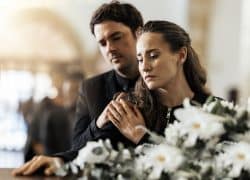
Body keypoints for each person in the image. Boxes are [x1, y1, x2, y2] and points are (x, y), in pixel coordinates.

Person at [12, 1, 144, 176]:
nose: (110, 49)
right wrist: (97, 124)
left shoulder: (161, 83)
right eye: (102, 43)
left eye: (116, 37)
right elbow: (77, 147)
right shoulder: (91, 87)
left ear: (139, 34)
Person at [106, 20, 211, 142]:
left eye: (153, 56)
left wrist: (140, 136)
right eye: (140, 60)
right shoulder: (129, 110)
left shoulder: (214, 112)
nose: (144, 67)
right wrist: (97, 126)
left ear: (181, 55)